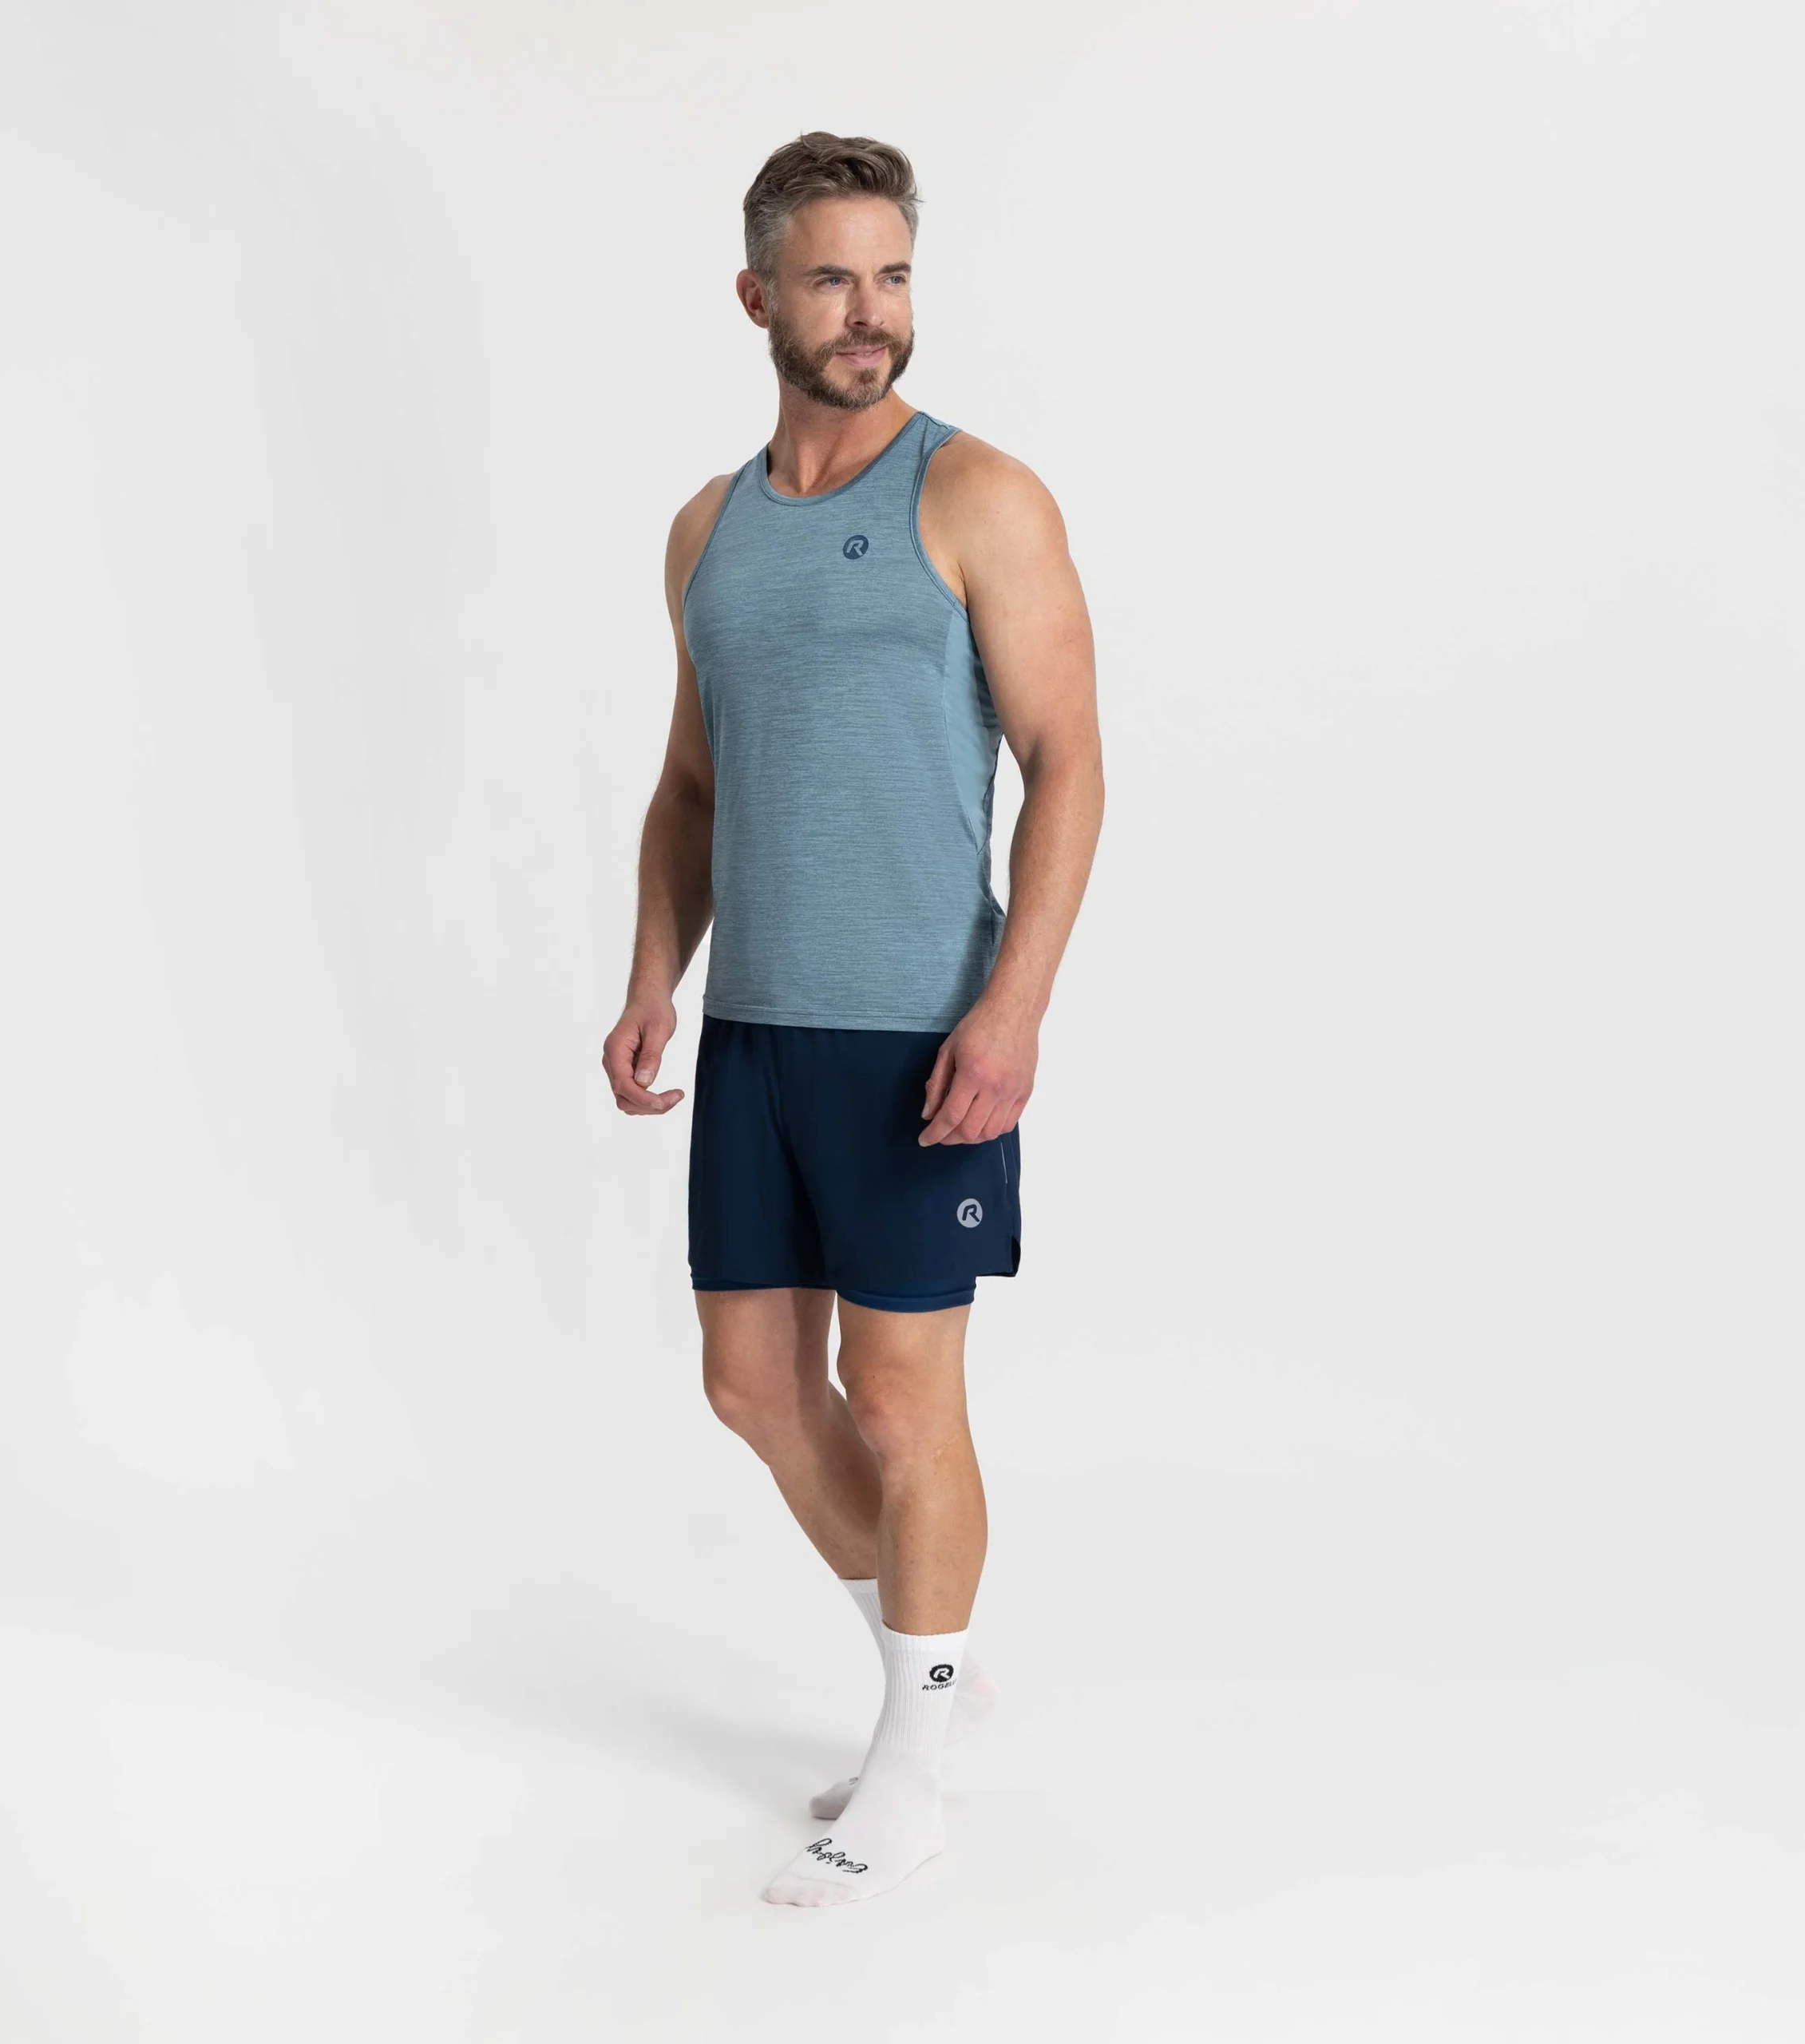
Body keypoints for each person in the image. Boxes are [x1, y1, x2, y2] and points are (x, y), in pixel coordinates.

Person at [601, 131, 1103, 1907]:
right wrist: (654, 973)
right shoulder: (707, 530)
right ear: (758, 297)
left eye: (891, 276)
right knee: (751, 1384)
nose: (868, 311)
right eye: (830, 279)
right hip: (756, 1027)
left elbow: (1068, 765)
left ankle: (913, 1756)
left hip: (918, 1034)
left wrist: (1012, 1009)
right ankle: (932, 1673)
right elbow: (690, 784)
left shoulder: (980, 498)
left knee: (899, 1401)